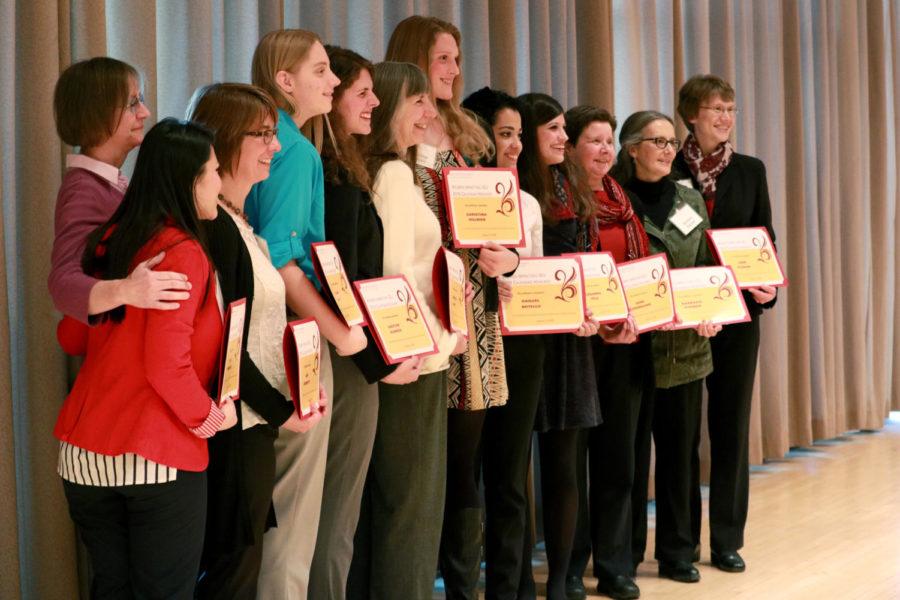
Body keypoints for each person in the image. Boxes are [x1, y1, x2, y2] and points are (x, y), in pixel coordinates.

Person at [54, 117, 237, 599]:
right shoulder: (183, 252)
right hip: (158, 457)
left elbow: (71, 335)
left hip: (84, 456)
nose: (220, 182)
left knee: (111, 589)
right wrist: (211, 418)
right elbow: (165, 365)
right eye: (214, 171)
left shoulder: (108, 238)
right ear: (189, 180)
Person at [385, 18, 519, 599]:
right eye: (443, 59)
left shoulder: (469, 131)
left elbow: (500, 218)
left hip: (477, 314)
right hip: (423, 313)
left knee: (464, 463)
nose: (454, 70)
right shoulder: (390, 137)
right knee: (420, 466)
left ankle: (462, 586)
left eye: (457, 59)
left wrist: (506, 260)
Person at [188, 82, 327, 599]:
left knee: (243, 564)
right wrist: (281, 407)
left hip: (254, 421)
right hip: (235, 425)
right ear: (225, 140)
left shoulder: (238, 222)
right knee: (232, 570)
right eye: (263, 135)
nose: (275, 146)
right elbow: (225, 344)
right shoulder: (218, 228)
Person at [247, 29, 365, 599]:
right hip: (286, 341)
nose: (335, 81)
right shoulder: (290, 147)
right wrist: (342, 334)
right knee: (292, 511)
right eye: (321, 70)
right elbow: (281, 259)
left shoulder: (282, 141)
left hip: (262, 337)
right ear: (285, 80)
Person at [346, 60, 464, 600]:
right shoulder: (392, 176)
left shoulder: (394, 170)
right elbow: (394, 277)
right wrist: (432, 343)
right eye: (415, 101)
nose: (428, 110)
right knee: (410, 509)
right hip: (413, 361)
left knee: (395, 506)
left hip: (410, 357)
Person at [307, 46, 422, 600]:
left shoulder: (346, 169)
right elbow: (344, 285)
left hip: (354, 354)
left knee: (340, 514)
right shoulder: (331, 179)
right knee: (334, 513)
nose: (374, 102)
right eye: (361, 92)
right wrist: (379, 360)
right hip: (347, 358)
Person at [609, 110, 721, 584]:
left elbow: (701, 264)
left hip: (685, 350)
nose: (668, 150)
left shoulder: (689, 198)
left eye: (672, 142)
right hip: (629, 351)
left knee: (679, 457)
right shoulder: (613, 201)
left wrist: (711, 308)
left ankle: (679, 552)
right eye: (657, 141)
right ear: (632, 148)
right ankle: (624, 557)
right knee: (626, 459)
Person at [672, 74, 777, 573]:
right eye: (716, 108)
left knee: (731, 428)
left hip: (738, 316)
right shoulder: (665, 165)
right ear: (691, 113)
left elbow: (764, 239)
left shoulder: (751, 170)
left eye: (731, 109)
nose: (725, 118)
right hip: (683, 320)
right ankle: (681, 541)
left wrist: (768, 285)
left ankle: (727, 539)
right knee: (682, 431)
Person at [564, 105, 651, 600]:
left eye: (608, 141)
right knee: (574, 461)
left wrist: (639, 312)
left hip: (627, 343)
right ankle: (572, 563)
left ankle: (614, 565)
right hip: (580, 346)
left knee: (618, 457)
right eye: (593, 141)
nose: (604, 150)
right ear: (572, 148)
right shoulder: (562, 202)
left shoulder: (624, 198)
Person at [460, 86, 545, 600]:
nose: (514, 145)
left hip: (521, 344)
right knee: (466, 473)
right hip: (468, 342)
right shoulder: (452, 191)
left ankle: (511, 588)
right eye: (503, 134)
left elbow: (537, 276)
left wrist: (514, 266)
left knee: (510, 473)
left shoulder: (528, 203)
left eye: (518, 135)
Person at [516, 92, 601, 600]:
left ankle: (564, 577)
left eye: (565, 129)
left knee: (565, 463)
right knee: (513, 470)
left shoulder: (571, 183)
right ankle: (521, 577)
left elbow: (585, 259)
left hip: (571, 339)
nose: (563, 139)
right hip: (523, 337)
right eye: (552, 129)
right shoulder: (510, 185)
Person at [50, 57, 191, 338]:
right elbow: (63, 284)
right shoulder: (84, 189)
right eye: (133, 104)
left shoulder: (105, 182)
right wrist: (128, 290)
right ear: (96, 113)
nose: (145, 113)